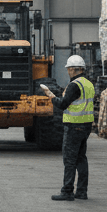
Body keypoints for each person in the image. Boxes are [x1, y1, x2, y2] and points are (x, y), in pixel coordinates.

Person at [40, 55, 94, 201]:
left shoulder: (74, 85)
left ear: (72, 69)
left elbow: (63, 104)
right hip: (86, 126)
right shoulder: (88, 84)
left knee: (69, 160)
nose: (68, 72)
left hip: (74, 126)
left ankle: (67, 191)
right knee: (81, 158)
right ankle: (82, 192)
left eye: (68, 69)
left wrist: (50, 96)